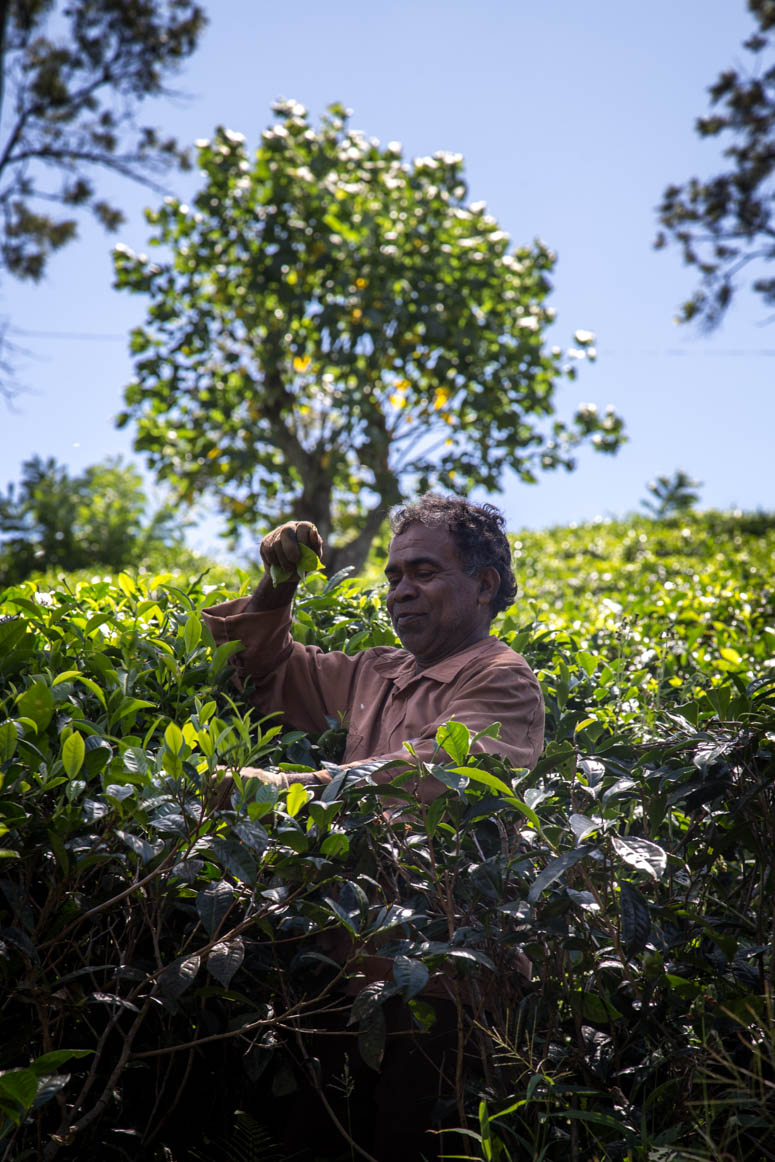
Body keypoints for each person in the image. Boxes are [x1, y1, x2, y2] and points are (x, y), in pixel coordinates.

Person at [201, 493, 544, 796]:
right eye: (394, 580)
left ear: (484, 586)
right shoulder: (374, 672)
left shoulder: (504, 679)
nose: (401, 593)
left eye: (424, 574)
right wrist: (279, 580)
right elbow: (261, 668)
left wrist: (285, 788)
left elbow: (439, 769)